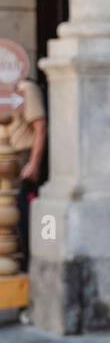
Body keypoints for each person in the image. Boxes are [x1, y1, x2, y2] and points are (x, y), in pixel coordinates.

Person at [10, 77, 46, 274]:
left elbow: (40, 127)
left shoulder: (27, 88)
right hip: (6, 159)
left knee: (22, 219)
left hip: (21, 159)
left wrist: (34, 163)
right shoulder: (6, 93)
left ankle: (29, 272)